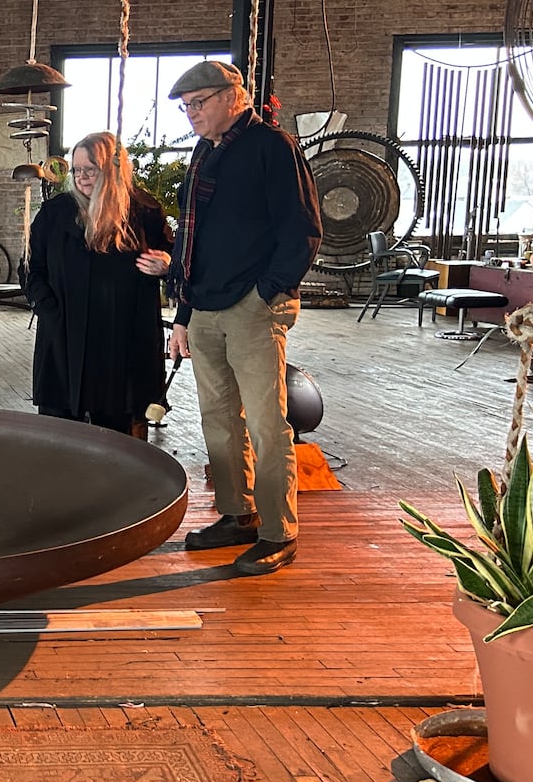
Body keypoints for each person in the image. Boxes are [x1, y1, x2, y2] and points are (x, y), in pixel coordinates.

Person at [163, 60, 322, 576]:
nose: (191, 114)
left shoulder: (272, 147)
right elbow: (192, 242)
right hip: (204, 307)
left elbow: (302, 231)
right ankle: (238, 513)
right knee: (219, 421)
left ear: (235, 96)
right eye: (186, 107)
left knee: (267, 423)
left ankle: (280, 531)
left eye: (199, 103)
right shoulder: (206, 153)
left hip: (252, 307)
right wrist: (183, 313)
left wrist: (265, 295)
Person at [24, 131, 173, 437]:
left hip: (121, 340)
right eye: (77, 170)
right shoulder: (56, 213)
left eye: (90, 170)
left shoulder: (143, 212)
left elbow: (174, 258)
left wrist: (166, 266)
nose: (81, 178)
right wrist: (48, 309)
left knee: (117, 432)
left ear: (112, 169)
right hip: (65, 333)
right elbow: (31, 268)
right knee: (59, 433)